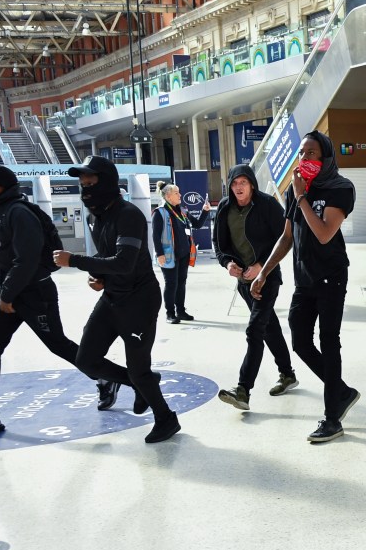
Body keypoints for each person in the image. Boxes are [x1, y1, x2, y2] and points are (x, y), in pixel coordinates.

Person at [0, 165, 119, 435]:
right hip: (5, 291)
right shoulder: (0, 211)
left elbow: (26, 260)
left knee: (57, 344)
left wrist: (7, 295)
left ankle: (107, 377)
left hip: (32, 293)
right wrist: (3, 292)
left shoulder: (18, 213)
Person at [53, 155, 181, 444]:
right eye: (81, 182)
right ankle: (139, 384)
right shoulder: (94, 217)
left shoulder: (129, 215)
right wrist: (98, 275)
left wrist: (74, 260)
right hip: (112, 297)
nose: (85, 187)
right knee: (86, 359)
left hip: (139, 300)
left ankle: (166, 418)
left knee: (139, 369)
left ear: (107, 181)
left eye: (90, 181)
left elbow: (124, 262)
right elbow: (107, 257)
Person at [251, 130, 359, 443]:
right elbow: (286, 238)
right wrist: (263, 273)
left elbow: (325, 233)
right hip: (305, 280)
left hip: (331, 278)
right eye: (301, 153)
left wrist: (302, 196)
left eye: (311, 153)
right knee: (299, 341)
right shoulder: (294, 190)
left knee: (329, 342)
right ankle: (340, 391)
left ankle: (331, 418)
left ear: (325, 158)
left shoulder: (340, 187)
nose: (304, 158)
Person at [213, 164, 298, 411]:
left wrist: (261, 265)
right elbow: (218, 244)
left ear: (251, 184)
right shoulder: (224, 208)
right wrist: (228, 263)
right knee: (268, 326)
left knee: (255, 331)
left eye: (243, 183)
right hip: (243, 282)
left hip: (267, 278)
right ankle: (288, 374)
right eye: (234, 183)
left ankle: (243, 390)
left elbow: (284, 238)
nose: (238, 187)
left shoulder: (267, 205)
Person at [152, 180, 210, 324]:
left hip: (183, 254)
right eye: (176, 193)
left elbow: (197, 224)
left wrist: (205, 211)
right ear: (168, 196)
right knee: (171, 284)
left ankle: (181, 311)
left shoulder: (183, 211)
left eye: (179, 192)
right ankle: (170, 314)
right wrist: (159, 254)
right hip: (168, 255)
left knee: (181, 283)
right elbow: (155, 235)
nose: (180, 195)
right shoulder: (160, 213)